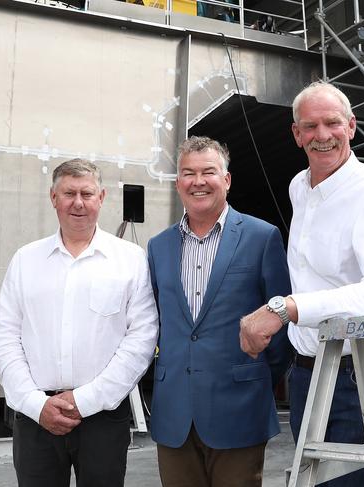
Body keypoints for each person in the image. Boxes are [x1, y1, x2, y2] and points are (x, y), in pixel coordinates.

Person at [240, 81, 364, 487]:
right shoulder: (300, 187)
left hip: (362, 377)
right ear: (296, 134)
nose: (322, 136)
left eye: (332, 123)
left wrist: (285, 309)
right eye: (310, 126)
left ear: (351, 126)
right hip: (308, 377)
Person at [0, 158, 159, 487]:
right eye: (69, 193)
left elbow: (141, 338)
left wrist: (85, 400)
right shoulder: (26, 260)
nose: (78, 203)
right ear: (53, 198)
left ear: (102, 197)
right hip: (36, 416)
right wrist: (35, 403)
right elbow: (6, 337)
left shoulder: (130, 260)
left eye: (87, 193)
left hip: (103, 418)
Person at [147, 136, 292, 487]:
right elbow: (157, 323)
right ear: (178, 182)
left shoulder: (262, 237)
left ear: (226, 180)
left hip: (238, 407)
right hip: (174, 413)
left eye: (208, 172)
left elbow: (282, 324)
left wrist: (253, 379)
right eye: (188, 173)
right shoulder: (158, 246)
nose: (198, 181)